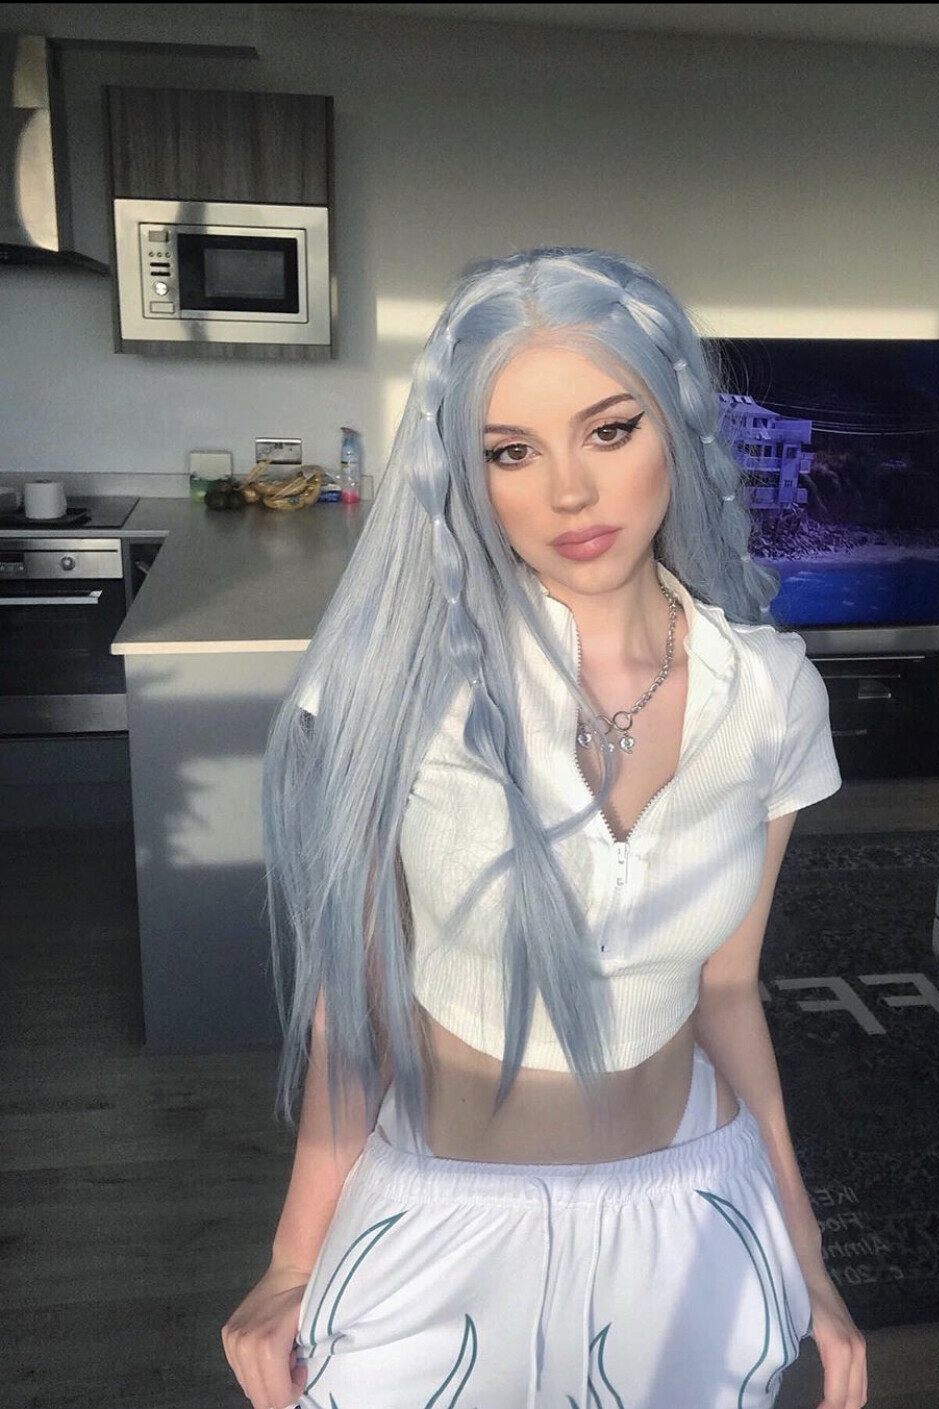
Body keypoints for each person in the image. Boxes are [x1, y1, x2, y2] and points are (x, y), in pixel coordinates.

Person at [221, 247, 867, 1409]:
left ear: (676, 424)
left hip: (695, 1218)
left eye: (609, 430)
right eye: (510, 450)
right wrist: (290, 1257)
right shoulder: (393, 680)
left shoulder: (771, 696)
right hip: (437, 1222)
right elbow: (357, 996)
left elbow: (727, 992)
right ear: (463, 472)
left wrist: (805, 1250)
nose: (570, 492)